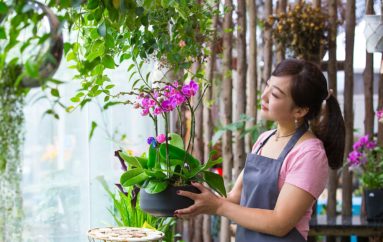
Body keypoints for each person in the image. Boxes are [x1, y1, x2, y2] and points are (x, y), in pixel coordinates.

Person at [174, 59, 345, 241]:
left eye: (276, 94)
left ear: (300, 110)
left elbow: (280, 223)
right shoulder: (265, 139)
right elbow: (236, 197)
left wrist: (217, 206)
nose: (264, 96)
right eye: (267, 86)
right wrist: (197, 203)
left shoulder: (309, 154)